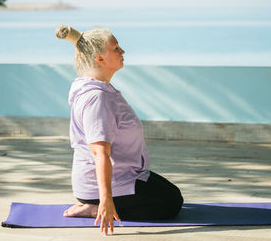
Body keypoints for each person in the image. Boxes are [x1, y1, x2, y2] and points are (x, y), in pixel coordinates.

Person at [55, 25, 184, 235]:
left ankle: (103, 201)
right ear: (100, 59)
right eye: (116, 48)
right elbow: (100, 152)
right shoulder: (98, 97)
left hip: (122, 174)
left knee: (170, 192)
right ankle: (94, 209)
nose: (122, 51)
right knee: (170, 203)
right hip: (100, 185)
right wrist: (106, 199)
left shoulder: (96, 87)